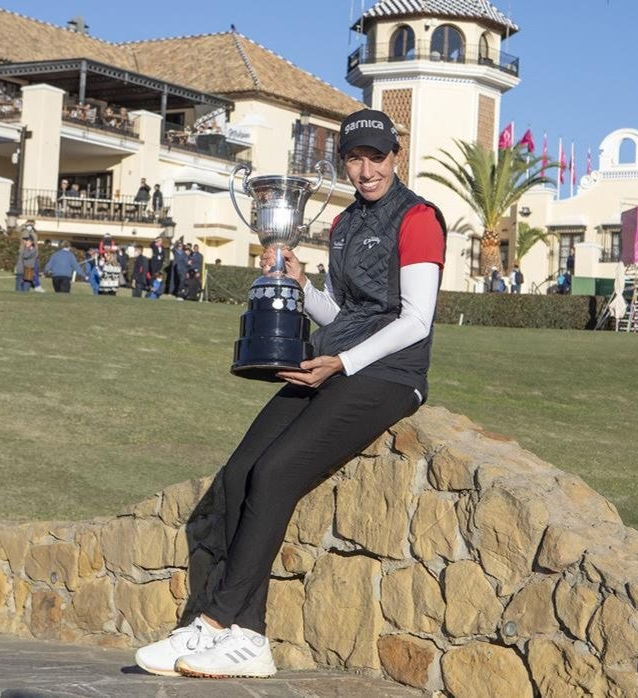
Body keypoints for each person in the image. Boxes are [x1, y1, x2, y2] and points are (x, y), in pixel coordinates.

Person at [134, 108, 446, 680]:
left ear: (395, 157)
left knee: (275, 474)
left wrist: (341, 362)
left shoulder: (419, 217)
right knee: (237, 474)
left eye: (376, 157)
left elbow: (416, 319)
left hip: (390, 375)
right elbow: (341, 311)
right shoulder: (346, 224)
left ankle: (220, 618)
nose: (366, 169)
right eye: (354, 157)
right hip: (334, 361)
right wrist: (300, 285)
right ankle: (245, 635)